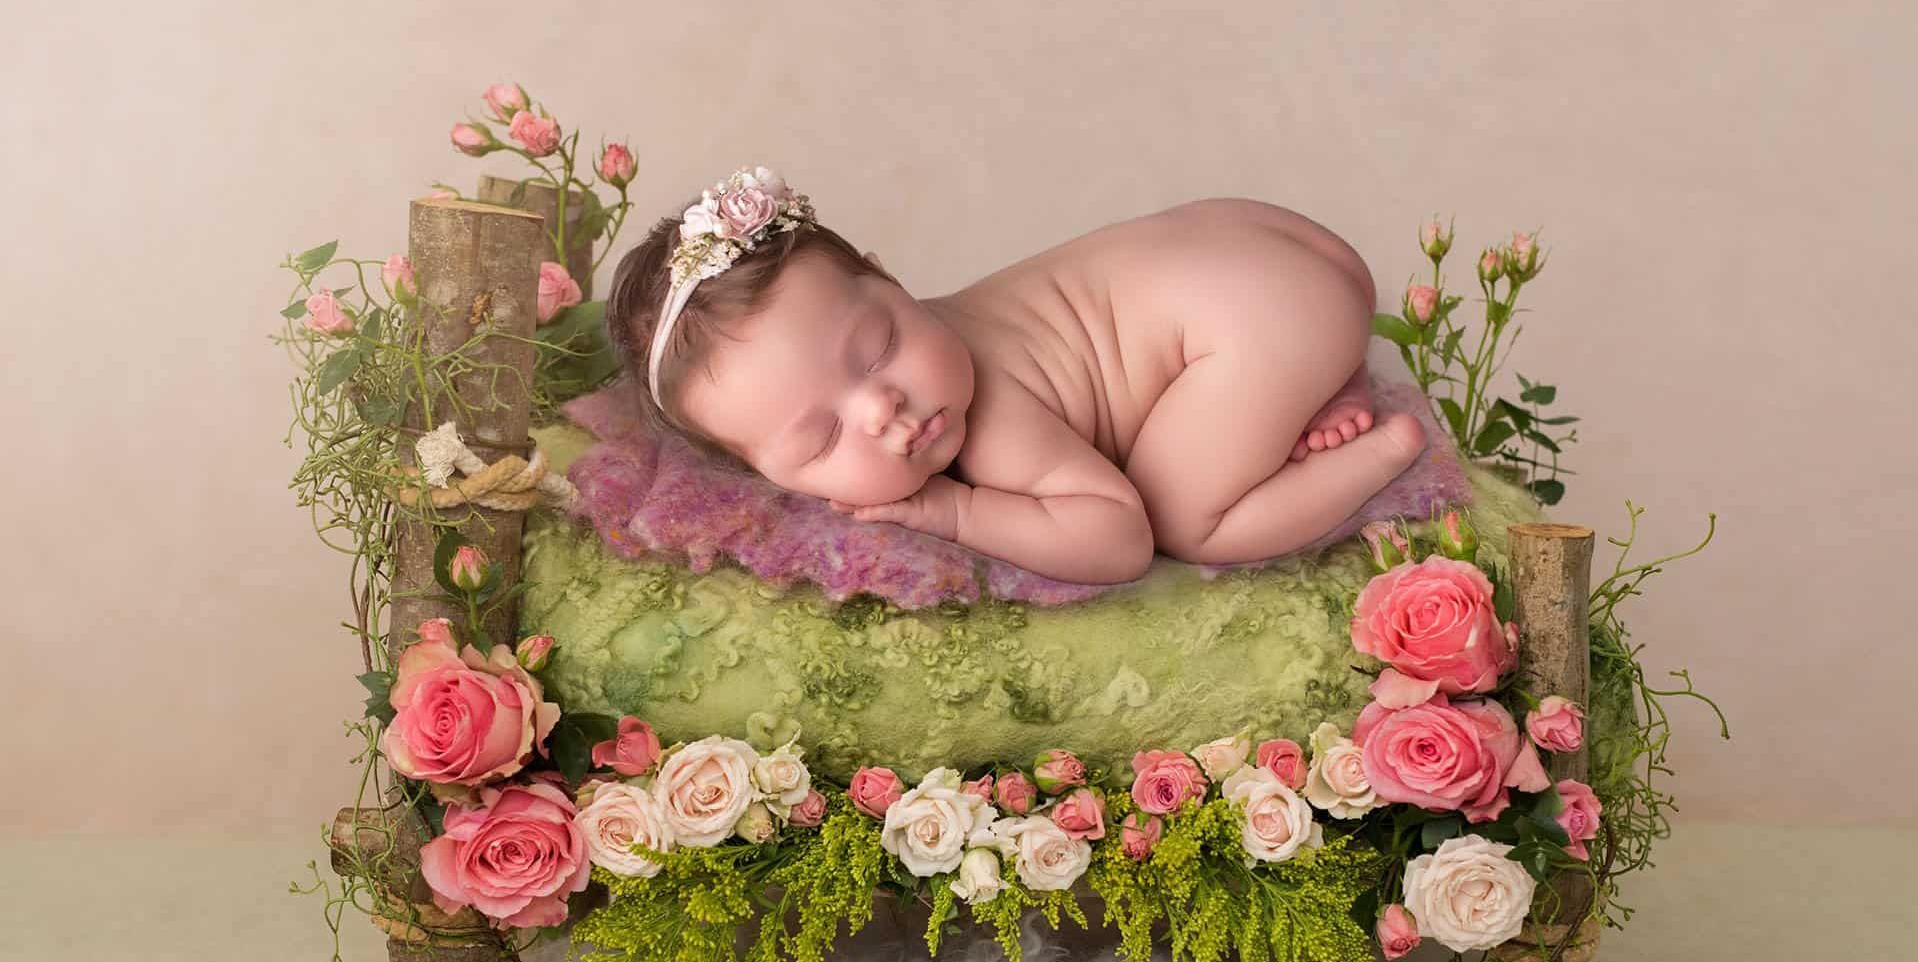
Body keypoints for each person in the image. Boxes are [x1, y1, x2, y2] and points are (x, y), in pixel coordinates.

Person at [604, 165, 1425, 585]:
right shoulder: (940, 335)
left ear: (892, 280)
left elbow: (1120, 536)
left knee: (1182, 515)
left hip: (1267, 315)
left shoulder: (990, 417)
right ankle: (1323, 375)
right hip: (1280, 246)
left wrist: (955, 508)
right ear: (761, 474)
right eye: (823, 435)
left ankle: (1378, 447)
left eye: (879, 346)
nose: (885, 406)